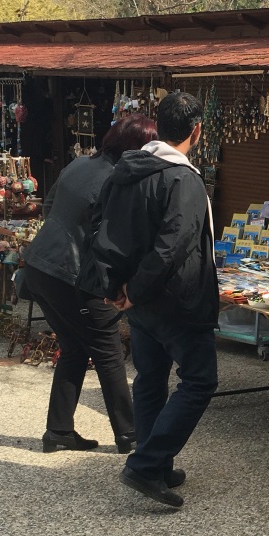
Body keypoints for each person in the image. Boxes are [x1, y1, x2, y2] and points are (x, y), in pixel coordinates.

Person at [90, 91, 219, 509]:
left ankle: (156, 463)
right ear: (196, 131)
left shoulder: (128, 169)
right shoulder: (184, 179)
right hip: (175, 299)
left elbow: (101, 225)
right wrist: (134, 291)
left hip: (141, 298)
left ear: (158, 127)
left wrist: (121, 288)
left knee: (150, 378)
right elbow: (173, 246)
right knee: (200, 380)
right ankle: (146, 464)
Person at [23, 113, 157, 453]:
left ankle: (58, 430)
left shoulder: (79, 164)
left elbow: (49, 206)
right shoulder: (117, 180)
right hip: (72, 274)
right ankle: (129, 434)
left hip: (40, 264)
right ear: (137, 148)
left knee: (74, 348)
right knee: (109, 351)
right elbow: (115, 240)